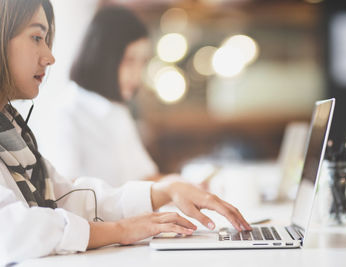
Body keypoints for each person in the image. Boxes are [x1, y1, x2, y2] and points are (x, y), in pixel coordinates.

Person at [0, 0, 251, 264]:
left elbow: (67, 196)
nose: (50, 57)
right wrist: (122, 230)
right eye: (37, 37)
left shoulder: (13, 132)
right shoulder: (65, 114)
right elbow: (11, 231)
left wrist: (167, 190)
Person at [39, 6, 161, 186]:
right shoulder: (67, 113)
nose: (137, 75)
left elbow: (146, 177)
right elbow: (65, 193)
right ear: (103, 57)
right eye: (129, 61)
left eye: (142, 63)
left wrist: (190, 187)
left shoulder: (117, 110)